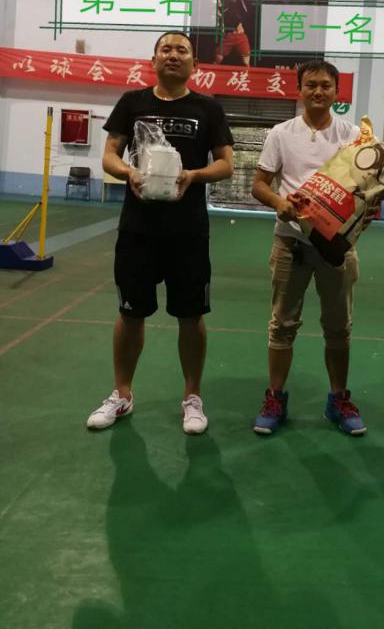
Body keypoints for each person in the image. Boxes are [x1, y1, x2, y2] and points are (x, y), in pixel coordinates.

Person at [86, 31, 234, 435]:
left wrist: (194, 175)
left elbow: (226, 164)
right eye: (165, 49)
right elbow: (109, 155)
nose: (173, 55)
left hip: (188, 231)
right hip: (138, 229)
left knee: (191, 314)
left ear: (195, 64)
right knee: (130, 312)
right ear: (153, 60)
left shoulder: (208, 108)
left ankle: (192, 398)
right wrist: (128, 173)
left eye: (182, 50)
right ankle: (122, 394)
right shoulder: (132, 102)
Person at [250, 59, 366, 436]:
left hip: (337, 246)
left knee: (339, 327)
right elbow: (259, 184)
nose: (318, 91)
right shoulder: (281, 133)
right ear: (299, 90)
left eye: (325, 85)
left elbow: (364, 186)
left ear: (337, 91)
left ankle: (338, 400)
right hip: (291, 242)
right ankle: (275, 398)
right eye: (311, 85)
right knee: (282, 324)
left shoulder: (352, 136)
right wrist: (279, 203)